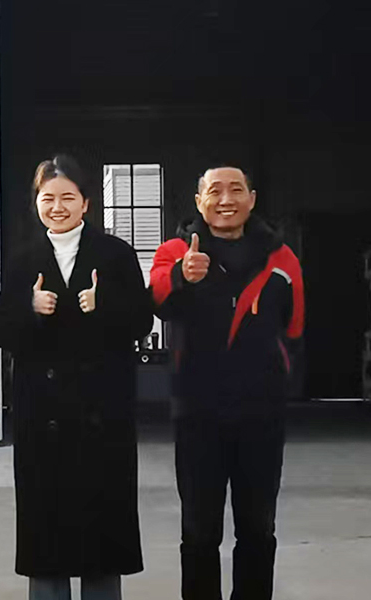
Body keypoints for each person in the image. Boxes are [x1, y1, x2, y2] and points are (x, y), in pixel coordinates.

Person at [0, 154, 152, 600]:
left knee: (102, 533)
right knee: (47, 532)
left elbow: (142, 321)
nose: (57, 207)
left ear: (86, 203)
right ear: (36, 203)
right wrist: (29, 309)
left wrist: (105, 306)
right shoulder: (23, 259)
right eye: (48, 198)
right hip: (43, 416)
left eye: (67, 197)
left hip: (103, 414)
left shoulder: (116, 254)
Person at [149, 166, 305, 600]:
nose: (225, 199)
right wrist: (182, 276)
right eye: (214, 191)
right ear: (198, 201)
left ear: (252, 199)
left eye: (236, 190)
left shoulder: (282, 258)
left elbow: (295, 327)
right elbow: (155, 299)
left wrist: (276, 376)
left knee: (258, 527)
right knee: (199, 530)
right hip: (197, 414)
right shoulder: (176, 251)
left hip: (262, 415)